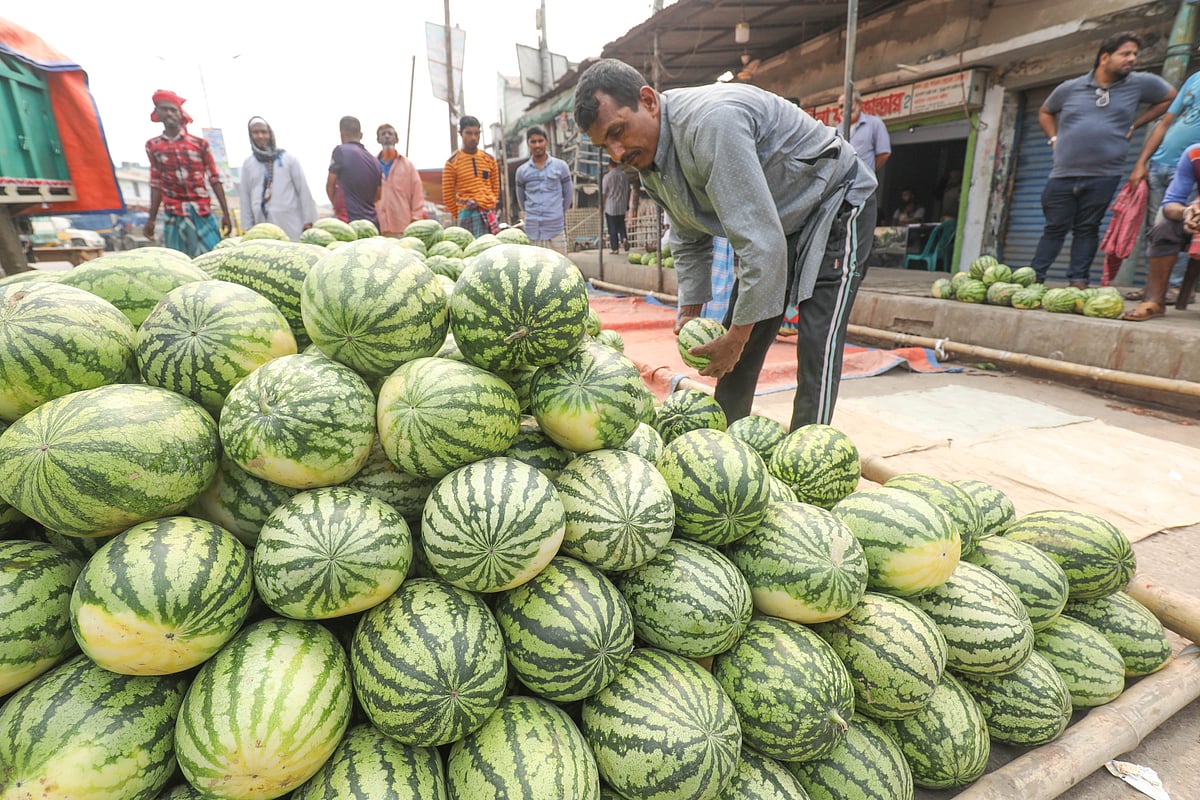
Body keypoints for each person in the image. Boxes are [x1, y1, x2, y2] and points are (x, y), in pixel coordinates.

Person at [574, 59, 877, 431]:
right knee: (741, 340)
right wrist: (691, 307)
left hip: (836, 198)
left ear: (649, 101)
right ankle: (722, 441)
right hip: (779, 220)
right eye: (605, 144)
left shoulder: (712, 124)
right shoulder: (647, 161)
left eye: (618, 131)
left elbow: (759, 245)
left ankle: (806, 452)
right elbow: (687, 235)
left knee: (816, 337)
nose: (617, 153)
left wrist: (736, 337)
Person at [1031, 32, 1174, 289]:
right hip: (1063, 173)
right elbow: (1045, 110)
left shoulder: (1139, 84)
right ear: (1105, 57)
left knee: (1088, 227)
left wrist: (1137, 123)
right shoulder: (1071, 87)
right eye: (1125, 54)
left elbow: (1169, 97)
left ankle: (1078, 280)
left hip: (1104, 174)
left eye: (1134, 55)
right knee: (1054, 227)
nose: (1132, 59)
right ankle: (1034, 277)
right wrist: (1054, 139)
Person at [1125, 67, 1200, 300]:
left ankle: (1175, 288)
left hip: (1194, 166)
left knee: (1186, 227)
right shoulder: (1194, 79)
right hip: (1162, 164)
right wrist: (1141, 162)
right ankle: (1153, 288)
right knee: (1156, 228)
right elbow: (1165, 122)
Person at [143, 89, 231, 256]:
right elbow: (156, 184)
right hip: (173, 214)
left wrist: (226, 214)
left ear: (180, 113)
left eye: (173, 109)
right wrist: (152, 219)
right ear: (157, 113)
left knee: (214, 258)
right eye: (164, 109)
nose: (169, 113)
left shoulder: (199, 144)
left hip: (202, 212)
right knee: (179, 264)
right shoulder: (153, 146)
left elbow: (214, 179)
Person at [1124, 142, 1200, 320]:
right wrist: (1187, 212)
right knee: (1165, 226)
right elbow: (1171, 203)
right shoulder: (1194, 153)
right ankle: (1155, 301)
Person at [237, 117, 317, 241]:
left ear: (270, 133)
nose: (260, 136)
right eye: (255, 132)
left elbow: (303, 190)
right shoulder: (248, 164)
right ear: (250, 135)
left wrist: (309, 220)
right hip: (262, 225)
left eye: (264, 132)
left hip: (290, 221)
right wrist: (247, 227)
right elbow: (245, 197)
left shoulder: (288, 159)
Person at [515, 126, 573, 253]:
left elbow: (568, 194)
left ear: (546, 141)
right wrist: (530, 212)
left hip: (555, 227)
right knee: (535, 267)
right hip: (532, 228)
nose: (537, 145)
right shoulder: (522, 171)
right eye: (533, 141)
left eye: (540, 141)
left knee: (561, 265)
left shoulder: (561, 166)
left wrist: (558, 212)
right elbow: (521, 198)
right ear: (528, 143)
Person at [443, 115, 500, 237]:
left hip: (488, 213)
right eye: (469, 133)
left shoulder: (489, 159)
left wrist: (488, 203)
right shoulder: (452, 162)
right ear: (461, 133)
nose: (473, 138)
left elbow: (495, 189)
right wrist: (462, 213)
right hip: (466, 214)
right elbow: (448, 196)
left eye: (477, 133)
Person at [326, 116, 382, 227]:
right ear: (361, 135)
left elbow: (330, 184)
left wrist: (337, 207)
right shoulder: (375, 161)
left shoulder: (341, 151)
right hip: (372, 224)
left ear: (341, 134)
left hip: (348, 222)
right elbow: (378, 195)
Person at [374, 123, 426, 236]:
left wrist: (416, 219)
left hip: (403, 228)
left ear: (396, 139)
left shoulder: (407, 166)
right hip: (379, 228)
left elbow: (417, 194)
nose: (387, 136)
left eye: (390, 134)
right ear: (378, 140)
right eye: (383, 134)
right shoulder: (372, 166)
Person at [838, 89, 891, 176]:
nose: (844, 109)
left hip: (863, 185)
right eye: (841, 106)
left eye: (849, 104)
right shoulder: (837, 131)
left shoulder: (874, 123)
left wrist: (868, 172)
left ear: (859, 105)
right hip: (842, 185)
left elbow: (884, 153)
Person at [603, 159, 631, 253]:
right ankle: (624, 238)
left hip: (610, 206)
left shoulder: (607, 177)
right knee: (621, 224)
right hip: (622, 205)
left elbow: (604, 193)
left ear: (609, 165)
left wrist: (602, 204)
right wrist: (627, 203)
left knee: (612, 228)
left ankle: (615, 249)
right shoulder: (624, 176)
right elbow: (628, 190)